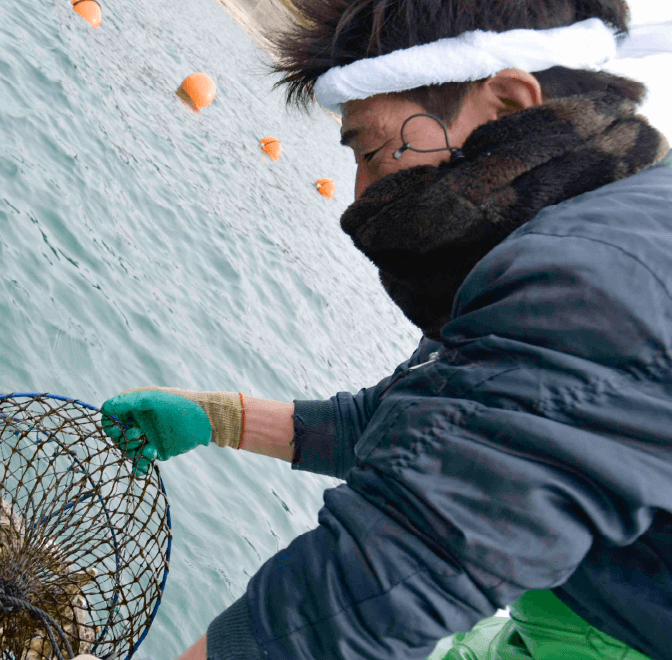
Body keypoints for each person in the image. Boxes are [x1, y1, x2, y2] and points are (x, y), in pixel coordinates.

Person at [100, 1, 672, 659]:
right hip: (557, 612)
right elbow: (424, 428)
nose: (360, 193)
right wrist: (213, 418)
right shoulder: (591, 218)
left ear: (509, 107)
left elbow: (363, 599)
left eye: (370, 150)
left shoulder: (597, 280)